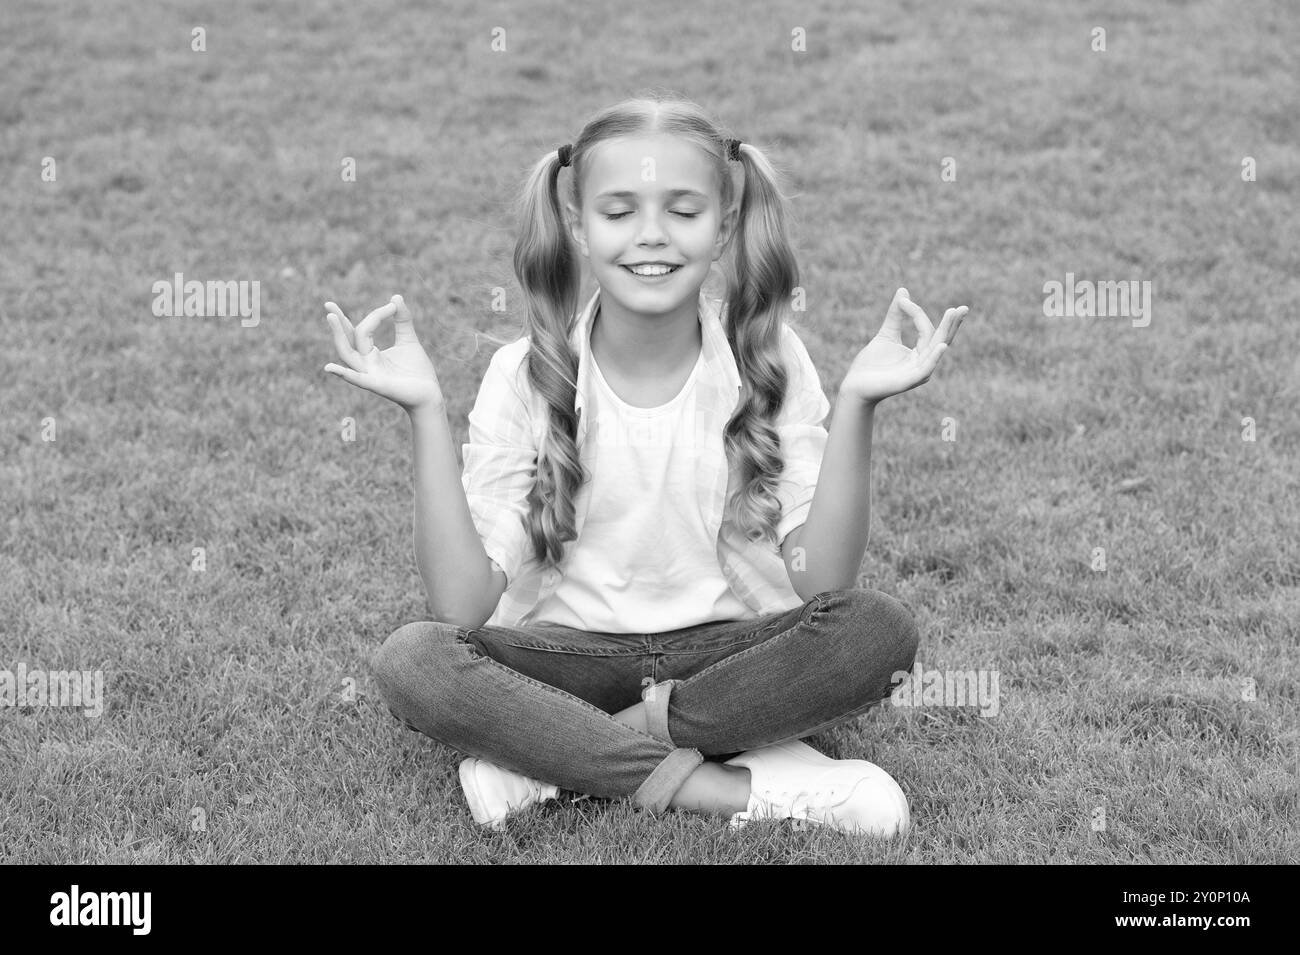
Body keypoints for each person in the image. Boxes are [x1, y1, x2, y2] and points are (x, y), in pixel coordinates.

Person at [322, 92, 969, 836]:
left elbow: (823, 584)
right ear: (578, 226)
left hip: (724, 655)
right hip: (566, 659)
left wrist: (858, 403)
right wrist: (425, 413)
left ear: (724, 226)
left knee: (876, 630)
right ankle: (732, 787)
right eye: (620, 211)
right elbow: (463, 606)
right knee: (414, 658)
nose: (651, 237)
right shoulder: (522, 373)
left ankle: (552, 755)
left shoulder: (771, 361)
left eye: (683, 211)